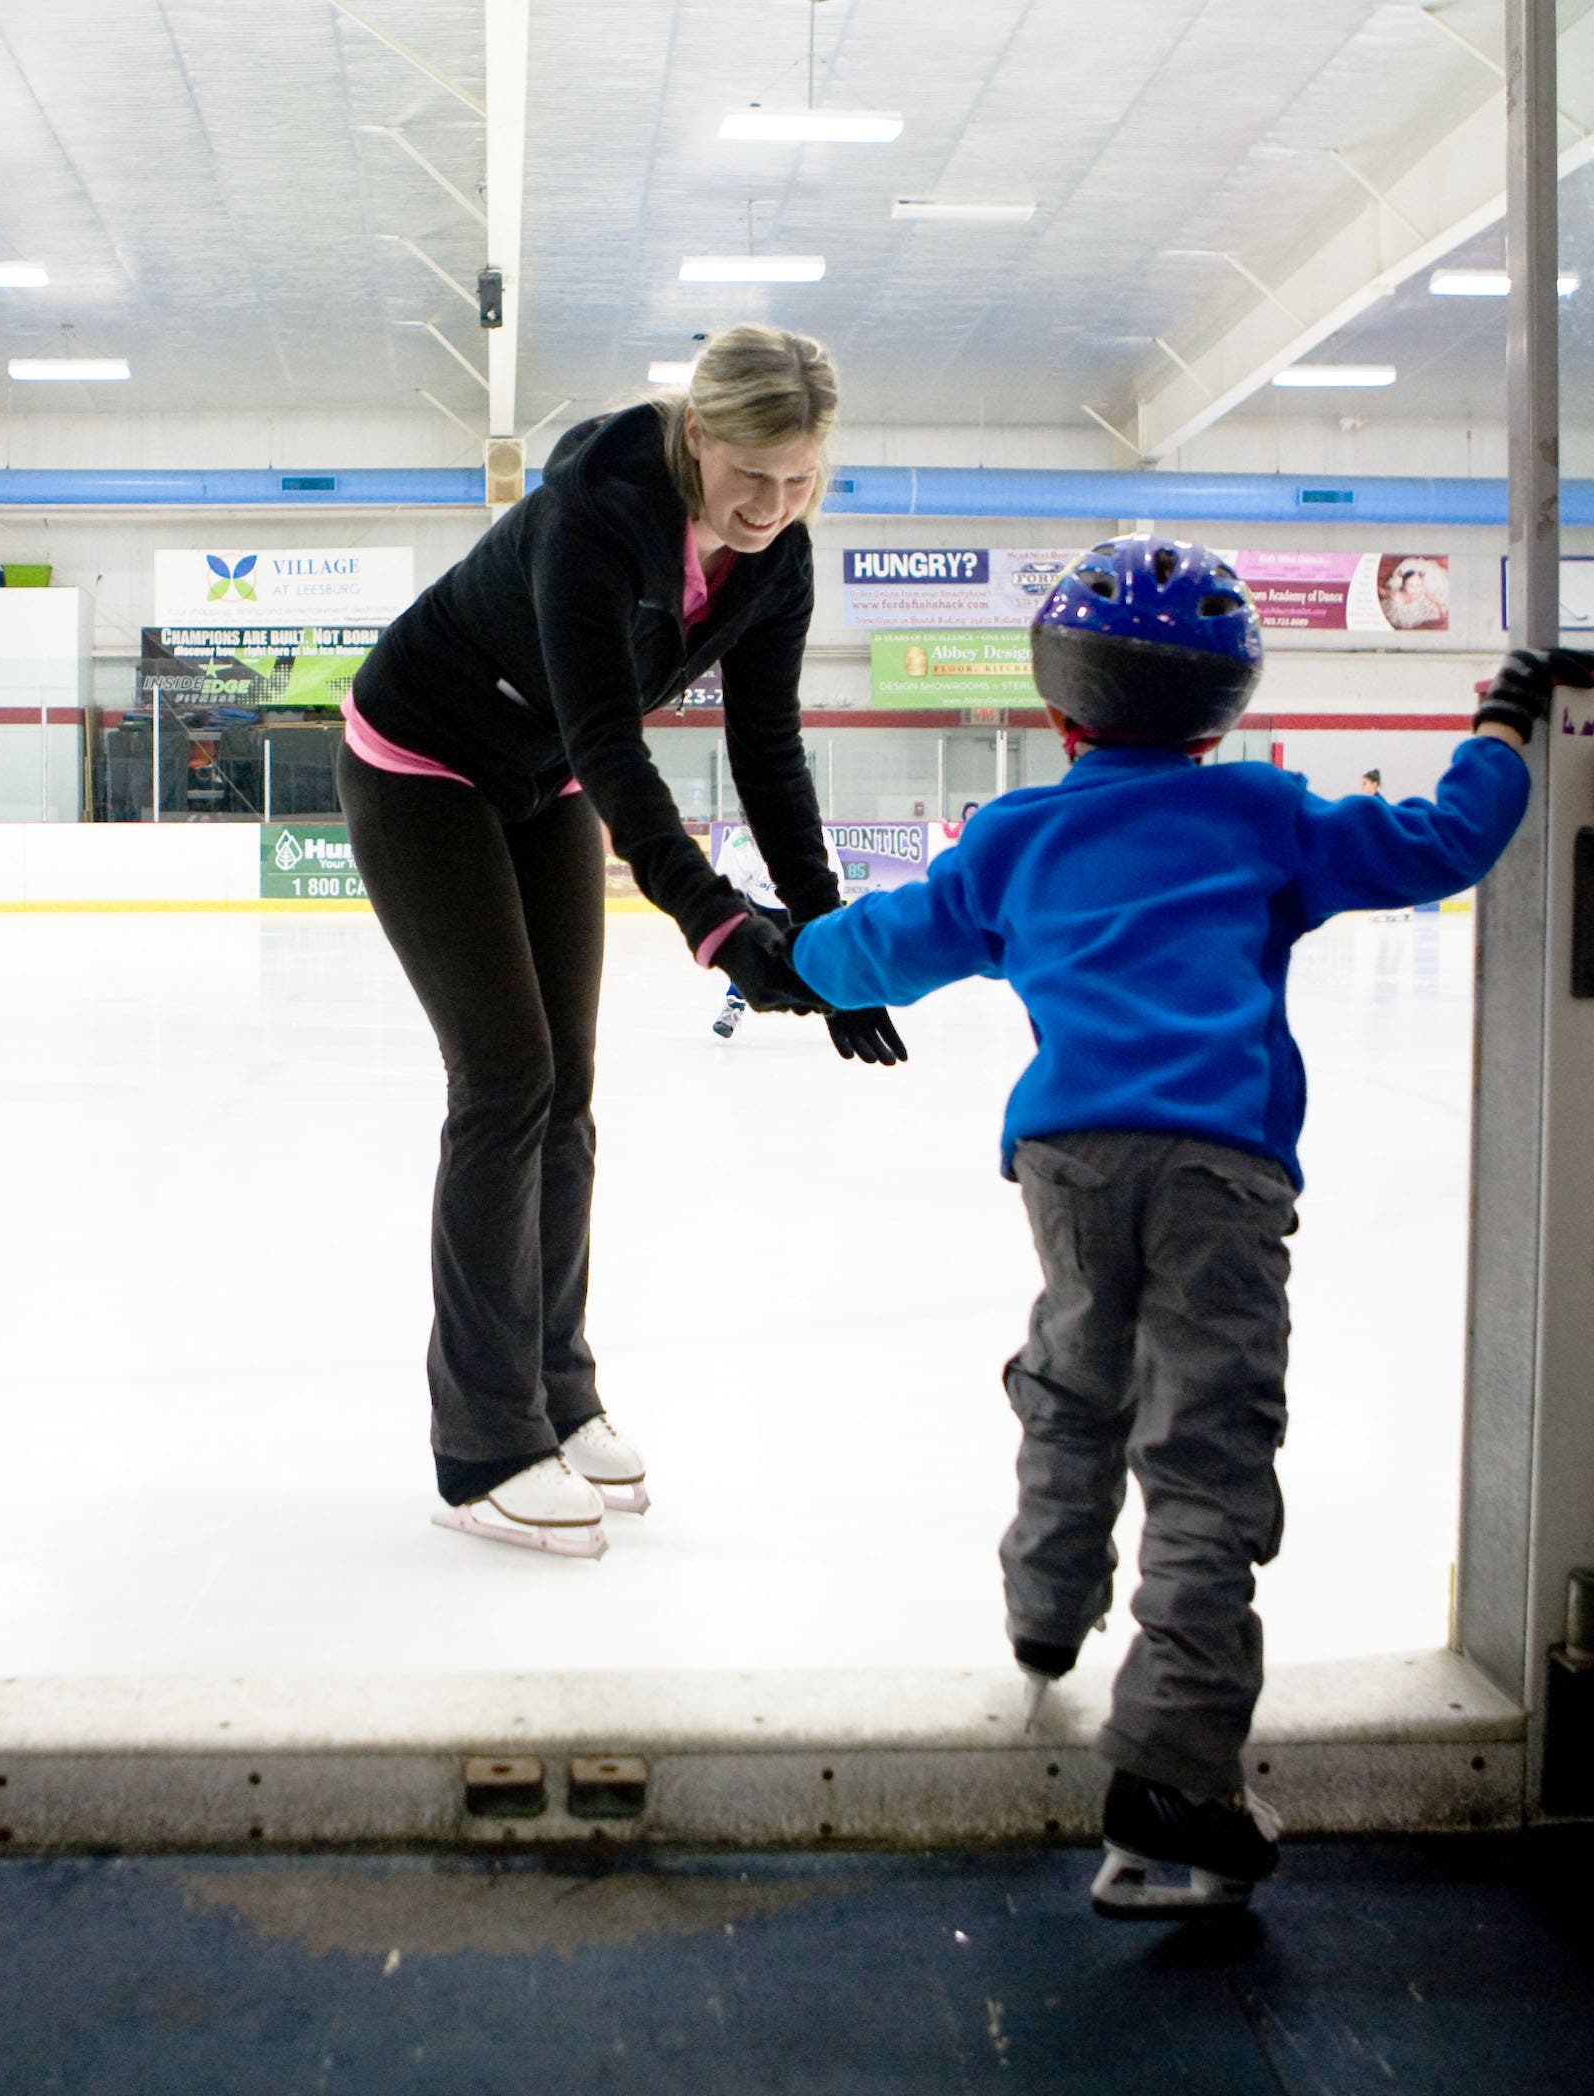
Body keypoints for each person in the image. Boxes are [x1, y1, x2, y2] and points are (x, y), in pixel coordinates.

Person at [785, 531, 1591, 1919]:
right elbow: (1446, 841)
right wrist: (1504, 725)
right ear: (1228, 704)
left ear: (1057, 706)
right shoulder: (1265, 817)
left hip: (1068, 1160)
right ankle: (1169, 1786)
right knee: (1208, 1456)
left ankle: (1046, 1613)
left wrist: (785, 951)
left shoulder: (1017, 835)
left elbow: (887, 947)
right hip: (1221, 1171)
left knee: (1077, 1372)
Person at [336, 324, 906, 1561]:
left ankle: (558, 1387)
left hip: (540, 779)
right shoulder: (595, 516)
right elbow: (615, 744)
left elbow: (767, 749)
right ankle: (485, 1443)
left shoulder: (777, 557)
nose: (772, 506)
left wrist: (826, 937)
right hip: (421, 759)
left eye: (802, 478)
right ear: (697, 434)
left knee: (571, 1087)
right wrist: (715, 923)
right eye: (753, 474)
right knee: (505, 1077)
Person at [710, 820, 845, 1038]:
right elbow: (727, 883)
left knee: (816, 959)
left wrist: (832, 910)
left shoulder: (814, 834)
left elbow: (833, 874)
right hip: (756, 907)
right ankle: (734, 1005)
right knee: (747, 959)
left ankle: (840, 1008)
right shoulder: (740, 842)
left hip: (799, 905)